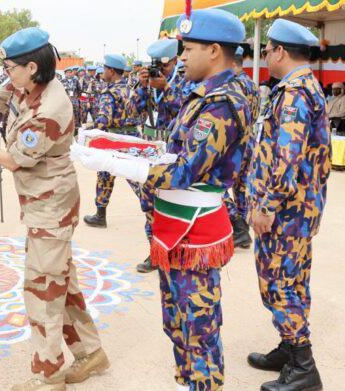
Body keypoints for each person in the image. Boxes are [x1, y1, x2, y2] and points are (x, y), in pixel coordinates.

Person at [73, 9, 251, 390]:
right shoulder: (204, 92)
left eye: (188, 49)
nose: (181, 58)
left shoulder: (222, 102)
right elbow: (172, 149)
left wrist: (115, 162)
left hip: (194, 227)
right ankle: (186, 382)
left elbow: (184, 169)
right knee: (177, 322)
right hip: (175, 224)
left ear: (215, 51)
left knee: (197, 328)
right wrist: (126, 148)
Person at [0, 27, 109, 391]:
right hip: (41, 203)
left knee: (43, 291)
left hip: (51, 203)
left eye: (11, 68)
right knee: (63, 282)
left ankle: (49, 376)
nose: (7, 74)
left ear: (32, 67)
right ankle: (91, 353)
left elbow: (14, 161)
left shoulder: (49, 109)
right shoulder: (26, 84)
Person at [246, 18, 329, 391]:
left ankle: (303, 366)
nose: (265, 56)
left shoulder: (294, 93)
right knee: (294, 281)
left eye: (266, 50)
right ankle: (289, 346)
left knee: (278, 283)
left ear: (280, 50)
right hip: (298, 209)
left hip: (285, 211)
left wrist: (267, 207)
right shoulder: (303, 87)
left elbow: (286, 158)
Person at [134, 38, 188, 273]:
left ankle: (176, 250)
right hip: (153, 148)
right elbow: (133, 109)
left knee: (174, 202)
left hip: (175, 150)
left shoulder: (186, 79)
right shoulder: (150, 83)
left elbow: (185, 109)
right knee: (149, 203)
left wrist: (165, 88)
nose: (160, 71)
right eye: (156, 66)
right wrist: (141, 86)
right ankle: (155, 252)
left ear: (174, 61)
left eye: (164, 67)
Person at [82, 54, 143, 230]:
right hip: (132, 138)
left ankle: (100, 216)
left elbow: (104, 121)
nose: (103, 73)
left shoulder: (109, 92)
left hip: (114, 141)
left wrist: (89, 129)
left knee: (104, 176)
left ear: (111, 71)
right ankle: (154, 210)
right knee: (136, 177)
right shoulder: (132, 90)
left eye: (105, 69)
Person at [222, 45, 260, 251]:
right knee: (242, 188)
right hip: (250, 140)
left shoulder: (232, 84)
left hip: (233, 142)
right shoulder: (252, 84)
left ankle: (238, 228)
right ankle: (242, 230)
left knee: (217, 185)